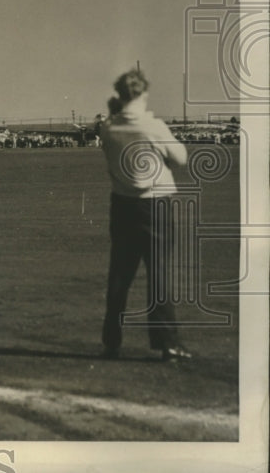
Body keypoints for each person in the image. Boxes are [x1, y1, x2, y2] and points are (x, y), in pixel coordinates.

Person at [99, 69, 191, 361]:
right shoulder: (154, 126)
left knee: (120, 275)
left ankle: (111, 340)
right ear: (140, 94)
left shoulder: (108, 128)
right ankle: (167, 343)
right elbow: (180, 158)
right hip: (156, 204)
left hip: (122, 204)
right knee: (159, 274)